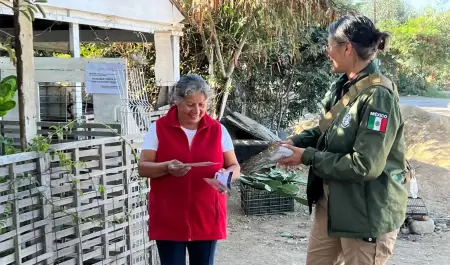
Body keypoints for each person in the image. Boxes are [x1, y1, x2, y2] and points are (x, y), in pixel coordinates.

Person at [277, 14, 408, 265]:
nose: (328, 52)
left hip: (365, 214)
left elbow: (364, 165)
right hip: (332, 204)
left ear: (347, 47)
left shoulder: (378, 96)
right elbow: (326, 131)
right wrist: (296, 142)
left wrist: (306, 156)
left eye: (330, 46)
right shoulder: (344, 86)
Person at [138, 74, 240, 265]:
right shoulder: (158, 128)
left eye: (202, 105)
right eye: (190, 105)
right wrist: (167, 167)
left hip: (207, 215)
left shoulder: (218, 130)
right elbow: (143, 168)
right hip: (169, 216)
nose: (197, 110)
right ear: (177, 102)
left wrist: (227, 176)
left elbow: (234, 166)